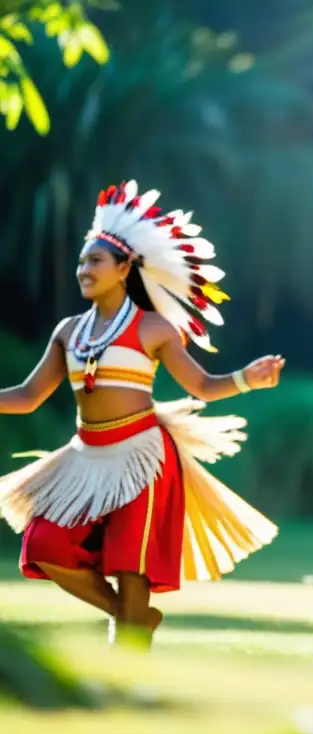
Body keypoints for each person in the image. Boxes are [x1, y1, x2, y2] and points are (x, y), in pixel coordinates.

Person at [0, 180, 283, 647]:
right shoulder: (69, 331)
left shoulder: (154, 328)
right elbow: (30, 395)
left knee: (133, 568)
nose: (83, 270)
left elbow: (201, 386)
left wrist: (246, 378)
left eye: (94, 261)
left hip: (143, 458)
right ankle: (130, 617)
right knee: (44, 546)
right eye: (81, 261)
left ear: (124, 267)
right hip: (83, 458)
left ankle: (127, 657)